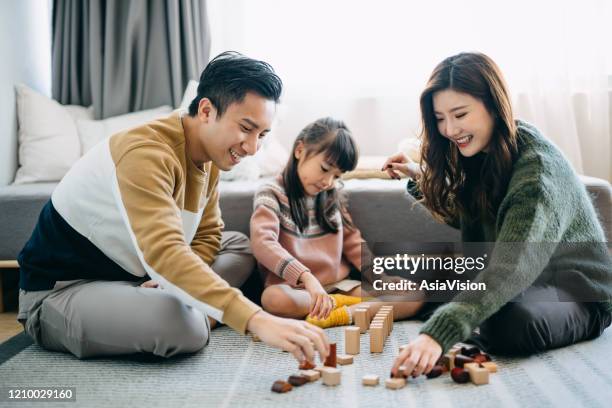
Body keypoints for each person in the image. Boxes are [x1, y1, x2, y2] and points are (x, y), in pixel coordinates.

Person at [17, 51, 329, 364]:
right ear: (207, 110)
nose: (251, 148)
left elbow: (207, 233)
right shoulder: (145, 153)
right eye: (246, 128)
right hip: (64, 292)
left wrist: (170, 282)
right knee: (184, 327)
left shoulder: (210, 156)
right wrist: (257, 320)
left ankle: (187, 301)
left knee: (239, 245)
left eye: (261, 134)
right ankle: (195, 313)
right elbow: (165, 252)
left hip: (134, 278)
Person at [383, 52, 612, 378]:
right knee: (448, 281)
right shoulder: (482, 152)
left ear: (493, 104)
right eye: (439, 118)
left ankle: (465, 317)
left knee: (510, 323)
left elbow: (513, 265)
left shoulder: (537, 174)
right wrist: (420, 179)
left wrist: (438, 334)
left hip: (577, 293)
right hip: (526, 283)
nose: (449, 129)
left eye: (460, 114)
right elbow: (468, 216)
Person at [250, 117, 423, 328]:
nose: (327, 182)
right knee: (273, 299)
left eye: (337, 176)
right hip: (297, 290)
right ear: (299, 150)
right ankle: (351, 309)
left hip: (340, 287)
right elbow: (263, 244)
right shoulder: (271, 193)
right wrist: (306, 278)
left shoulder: (331, 195)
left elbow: (353, 243)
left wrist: (380, 277)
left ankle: (342, 313)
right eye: (324, 169)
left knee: (415, 293)